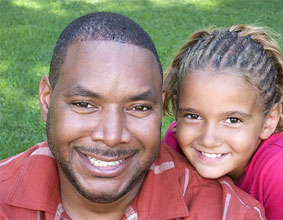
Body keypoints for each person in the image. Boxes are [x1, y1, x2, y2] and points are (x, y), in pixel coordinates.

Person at [0, 13, 266, 219]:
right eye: (84, 104)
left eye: (138, 107)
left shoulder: (226, 214)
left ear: (161, 108)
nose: (113, 136)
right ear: (47, 100)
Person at [162, 24, 283, 219]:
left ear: (269, 121)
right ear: (176, 107)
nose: (208, 139)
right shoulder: (176, 142)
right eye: (193, 116)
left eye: (232, 120)